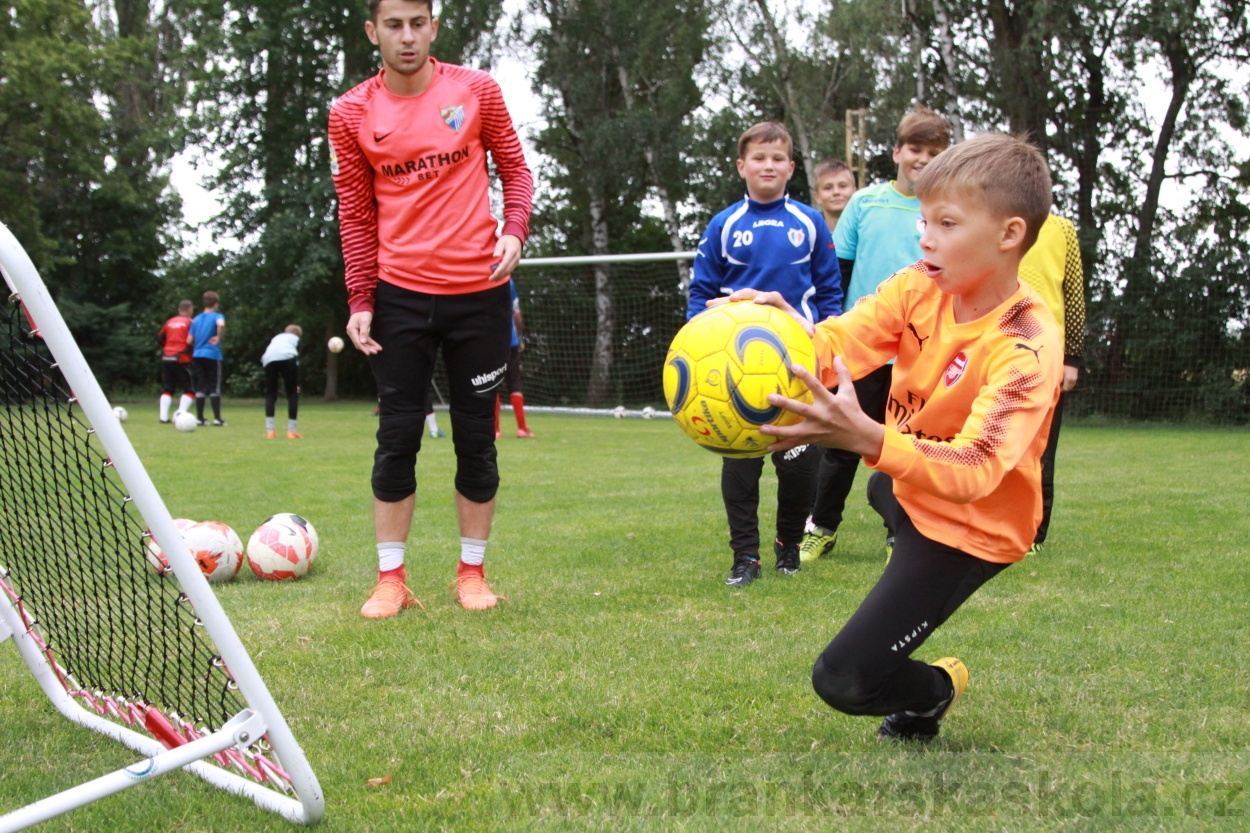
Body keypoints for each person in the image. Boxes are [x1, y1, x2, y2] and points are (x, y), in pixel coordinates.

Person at [726, 133, 1061, 742]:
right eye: (923, 219)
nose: (924, 236)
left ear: (1009, 235)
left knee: (846, 679)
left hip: (970, 528)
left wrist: (867, 438)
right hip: (908, 490)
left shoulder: (1028, 343)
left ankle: (935, 691)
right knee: (884, 493)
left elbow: (976, 468)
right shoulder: (920, 284)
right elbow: (843, 342)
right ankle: (897, 545)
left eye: (946, 222)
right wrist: (788, 337)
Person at [329, 0, 533, 616]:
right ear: (373, 32)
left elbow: (516, 171)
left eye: (418, 22)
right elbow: (356, 213)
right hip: (400, 297)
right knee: (397, 438)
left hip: (479, 296)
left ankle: (471, 574)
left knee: (477, 440)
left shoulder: (476, 90)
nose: (407, 36)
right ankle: (390, 580)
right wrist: (361, 297)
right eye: (394, 24)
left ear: (434, 27)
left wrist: (514, 231)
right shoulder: (350, 112)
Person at [687, 121, 843, 588]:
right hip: (736, 373)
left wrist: (824, 346)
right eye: (759, 157)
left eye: (778, 158)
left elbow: (831, 293)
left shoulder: (810, 222)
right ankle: (745, 558)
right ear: (742, 166)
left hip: (795, 368)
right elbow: (701, 295)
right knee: (740, 466)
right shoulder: (724, 225)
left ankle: (789, 546)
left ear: (791, 167)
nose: (768, 165)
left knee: (800, 468)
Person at [800, 105, 951, 563]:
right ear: (897, 151)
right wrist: (830, 334)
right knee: (842, 444)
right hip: (863, 352)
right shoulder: (864, 204)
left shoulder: (946, 210)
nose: (923, 159)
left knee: (910, 446)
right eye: (915, 149)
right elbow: (836, 277)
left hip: (922, 355)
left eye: (934, 151)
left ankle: (899, 533)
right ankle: (821, 528)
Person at [1017, 213, 1086, 552]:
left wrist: (1072, 357)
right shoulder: (989, 218)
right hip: (993, 347)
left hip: (1048, 353)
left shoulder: (1062, 229)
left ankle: (1034, 533)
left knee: (1041, 449)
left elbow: (1073, 295)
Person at [494, 280, 534, 439]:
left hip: (488, 340)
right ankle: (522, 428)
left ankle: (495, 430)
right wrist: (520, 338)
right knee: (515, 382)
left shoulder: (479, 276)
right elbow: (516, 313)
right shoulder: (508, 281)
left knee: (491, 383)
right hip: (509, 340)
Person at [189, 290, 227, 427]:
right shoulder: (217, 315)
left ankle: (200, 418)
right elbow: (221, 324)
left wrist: (198, 344)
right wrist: (218, 337)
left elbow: (189, 340)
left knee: (201, 385)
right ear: (215, 304)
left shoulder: (196, 319)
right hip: (212, 354)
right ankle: (217, 418)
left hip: (197, 355)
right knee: (214, 385)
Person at [156, 300, 195, 423]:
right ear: (190, 310)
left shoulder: (170, 322)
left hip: (167, 357)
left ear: (179, 310)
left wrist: (168, 348)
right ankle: (180, 414)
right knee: (189, 389)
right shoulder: (190, 322)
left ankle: (163, 417)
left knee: (168, 388)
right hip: (182, 358)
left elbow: (159, 337)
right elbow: (194, 339)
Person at [261, 325, 302, 439]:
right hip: (288, 358)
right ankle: (291, 431)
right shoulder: (296, 339)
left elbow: (269, 350)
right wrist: (296, 383)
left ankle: (270, 432)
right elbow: (298, 359)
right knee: (292, 394)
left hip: (269, 359)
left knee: (270, 394)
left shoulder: (276, 338)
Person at [811, 158, 857, 234]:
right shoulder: (809, 233)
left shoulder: (866, 230)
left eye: (842, 186)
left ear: (854, 192)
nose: (836, 192)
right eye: (828, 188)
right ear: (817, 196)